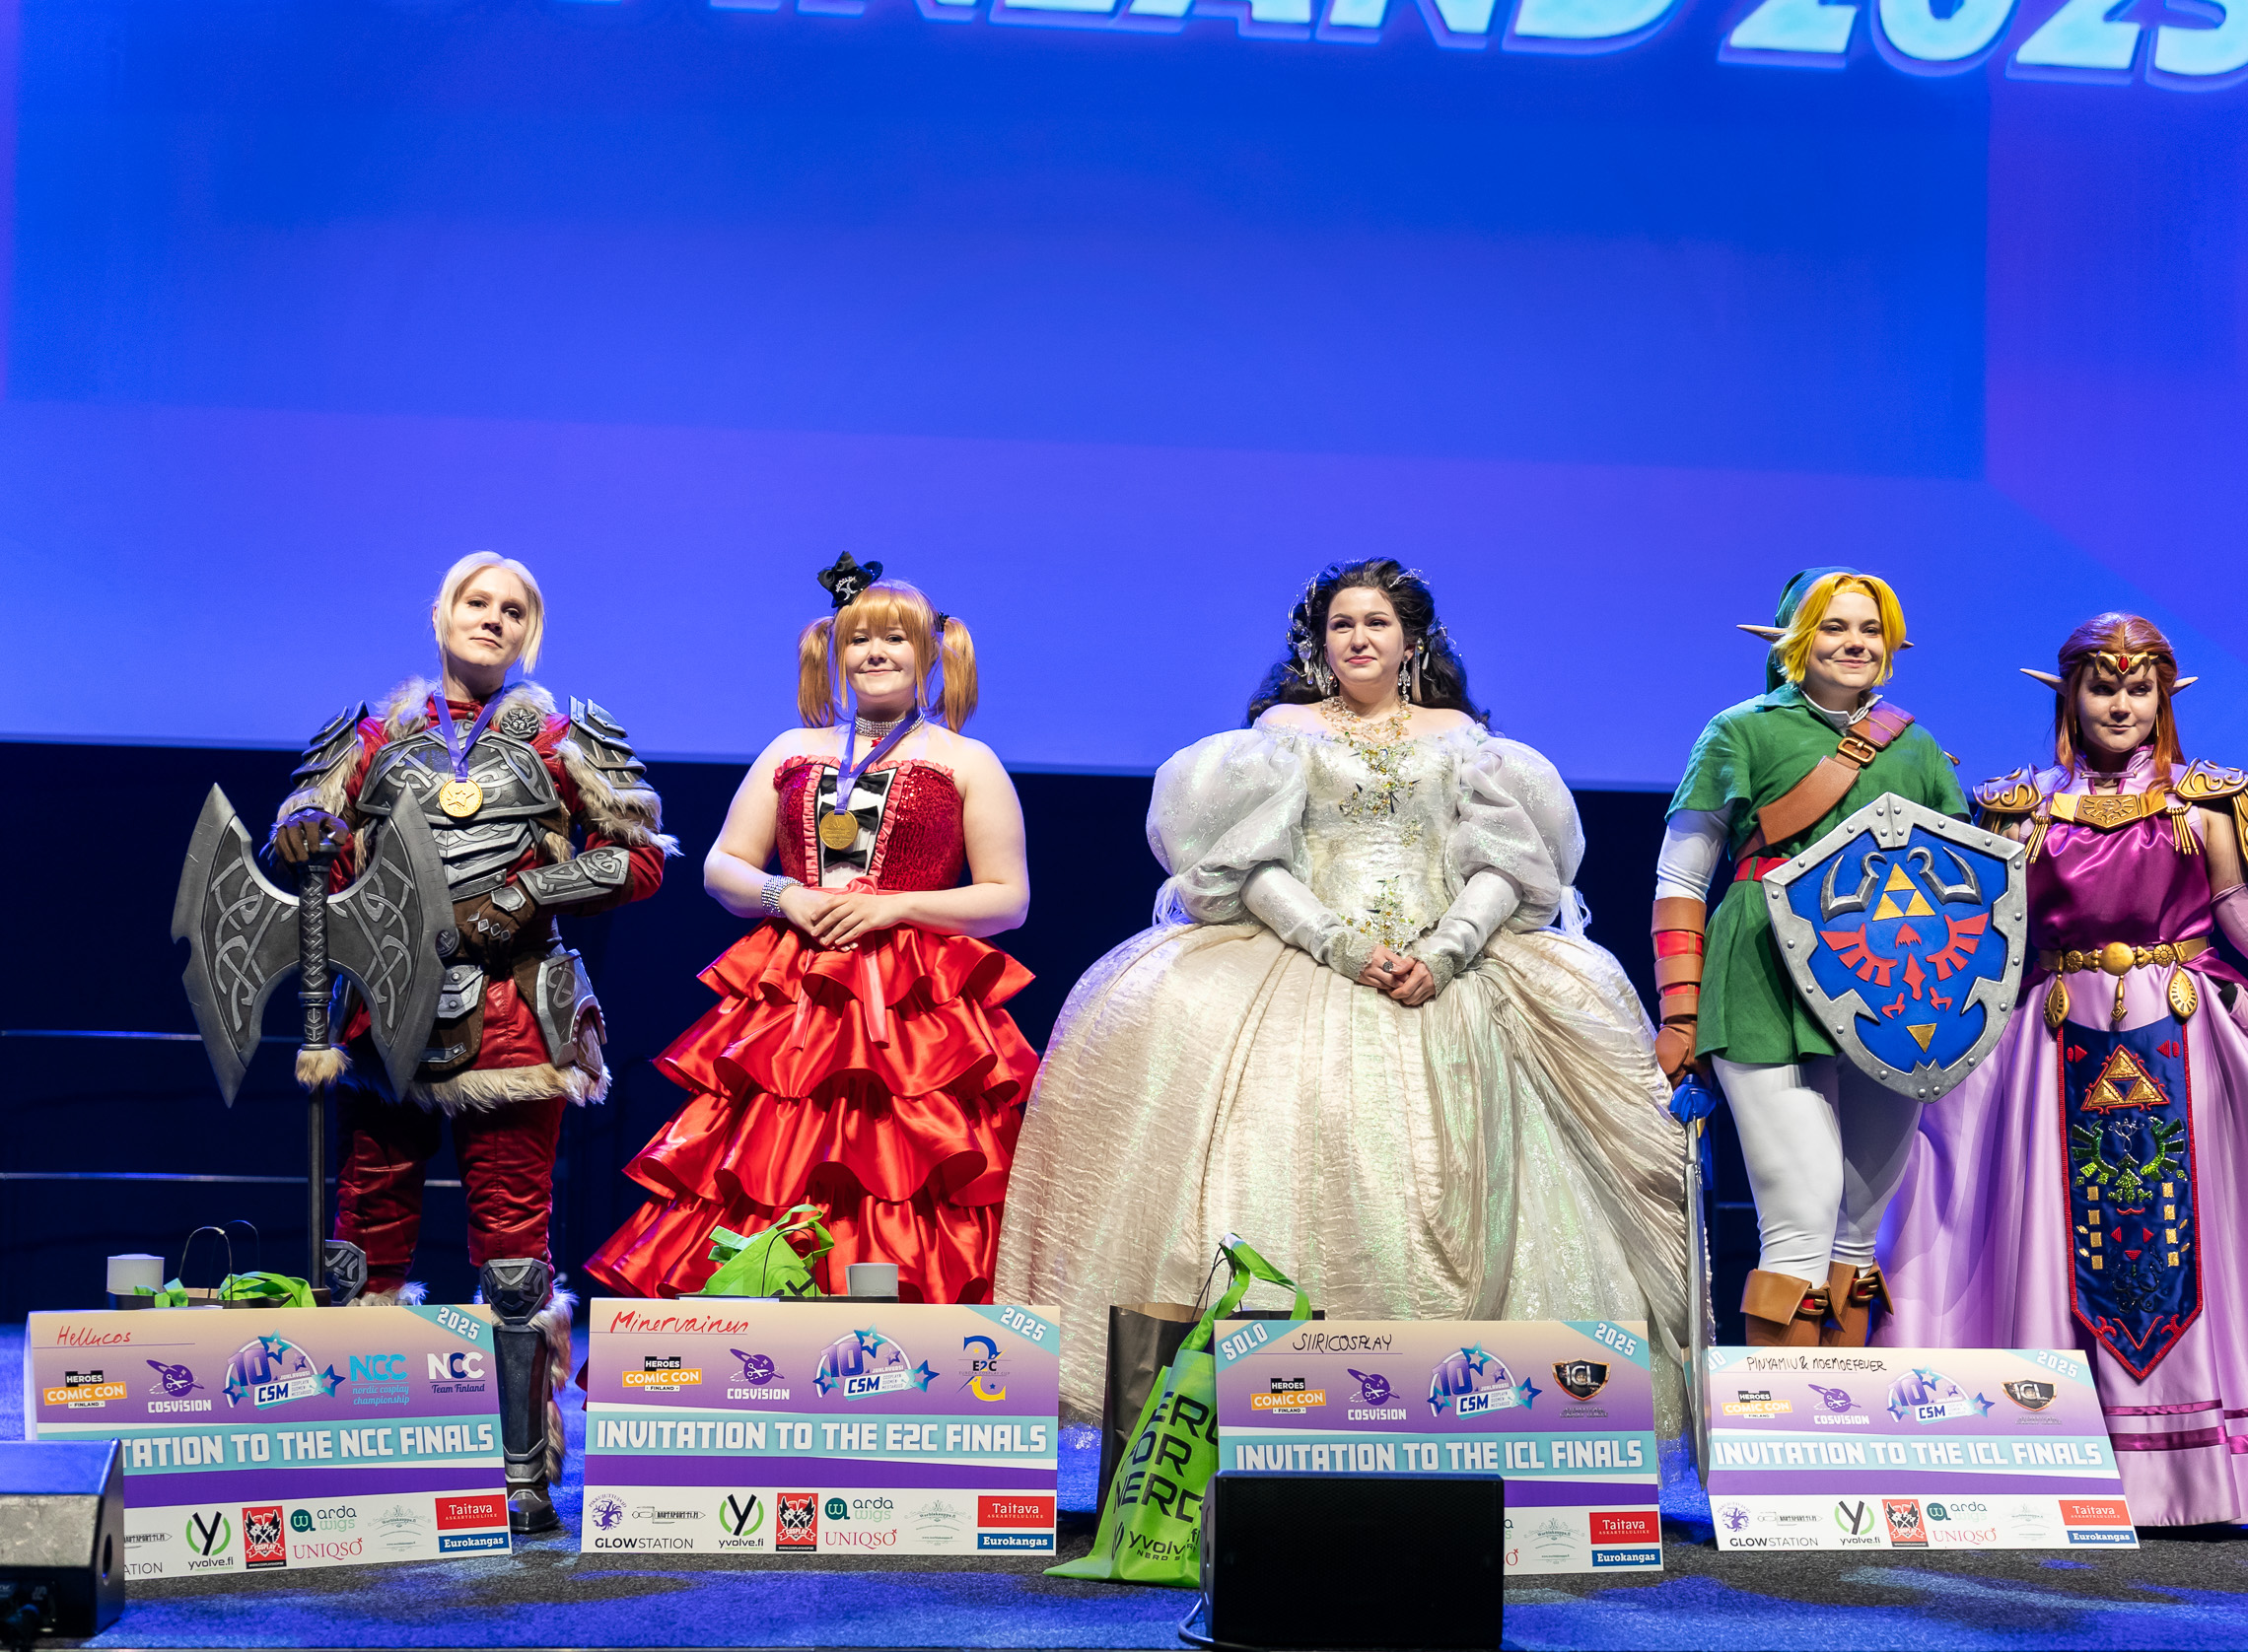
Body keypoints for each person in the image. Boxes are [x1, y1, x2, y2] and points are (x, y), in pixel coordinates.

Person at [996, 559, 1697, 1422]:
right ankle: (1282, 1395)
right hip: (1306, 953)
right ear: (1318, 642)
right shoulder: (1279, 735)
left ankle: (1502, 1404)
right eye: (1341, 624)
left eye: (1376, 622)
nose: (1359, 638)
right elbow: (1245, 863)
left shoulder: (1465, 740)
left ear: (1412, 640)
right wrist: (1338, 944)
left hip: (1451, 963)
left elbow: (1508, 864)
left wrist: (1447, 951)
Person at [1875, 612, 2248, 1527]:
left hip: (2181, 1041)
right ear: (2070, 695)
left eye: (2139, 687)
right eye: (2103, 685)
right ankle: (2060, 1460)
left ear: (2163, 697)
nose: (2121, 703)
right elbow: (1984, 947)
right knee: (2031, 1238)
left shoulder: (2207, 801)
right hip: (2049, 1049)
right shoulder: (2015, 807)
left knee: (2185, 1249)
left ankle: (2192, 1474)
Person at [270, 551, 673, 1531]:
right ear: (441, 613)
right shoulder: (370, 735)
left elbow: (638, 857)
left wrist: (529, 892)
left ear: (529, 631)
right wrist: (308, 834)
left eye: (512, 609)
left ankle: (523, 1475)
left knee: (513, 1251)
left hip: (514, 1017)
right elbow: (315, 845)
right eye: (475, 601)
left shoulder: (564, 736)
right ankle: (361, 1454)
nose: (491, 618)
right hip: (387, 1021)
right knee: (363, 1243)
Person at [586, 558, 1036, 1308]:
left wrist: (894, 907)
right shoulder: (791, 748)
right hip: (794, 995)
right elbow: (722, 866)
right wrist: (784, 893)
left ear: (931, 651)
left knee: (904, 1168)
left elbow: (1008, 898)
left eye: (896, 637)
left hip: (915, 1011)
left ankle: (900, 1341)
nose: (876, 652)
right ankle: (753, 1343)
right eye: (860, 639)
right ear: (836, 651)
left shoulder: (966, 759)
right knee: (771, 1161)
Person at [1651, 569, 1969, 1347]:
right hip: (1764, 978)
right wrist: (1680, 1012)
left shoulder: (1919, 746)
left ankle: (1843, 1410)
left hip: (1893, 986)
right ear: (1795, 639)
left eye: (1870, 628)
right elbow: (1681, 879)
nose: (1855, 642)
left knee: (1857, 1231)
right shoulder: (1739, 730)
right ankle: (1780, 1417)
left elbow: (1964, 884)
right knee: (1802, 1212)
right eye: (1834, 626)